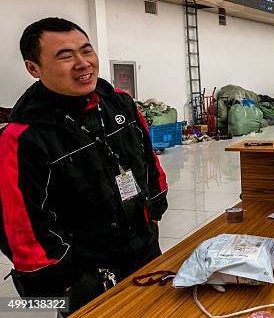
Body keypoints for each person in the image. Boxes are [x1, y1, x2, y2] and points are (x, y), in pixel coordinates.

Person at [0, 18, 168, 314]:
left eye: (86, 50)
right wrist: (67, 281)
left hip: (143, 248)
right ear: (33, 68)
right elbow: (21, 227)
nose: (82, 63)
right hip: (85, 277)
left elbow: (148, 160)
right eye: (65, 56)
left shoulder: (120, 104)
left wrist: (153, 213)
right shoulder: (22, 137)